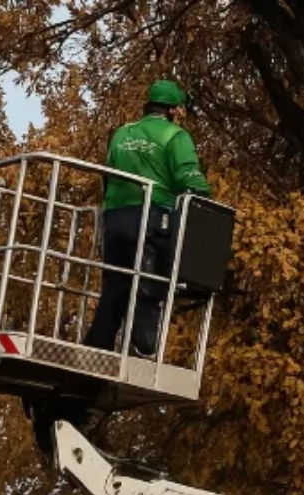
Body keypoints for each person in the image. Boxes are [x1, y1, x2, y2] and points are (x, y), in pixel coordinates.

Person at [83, 79, 212, 358]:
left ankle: (97, 346)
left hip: (115, 219)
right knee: (149, 280)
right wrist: (205, 197)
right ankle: (144, 344)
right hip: (150, 217)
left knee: (115, 285)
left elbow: (108, 175)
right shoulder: (174, 136)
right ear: (173, 110)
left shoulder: (122, 133)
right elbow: (188, 178)